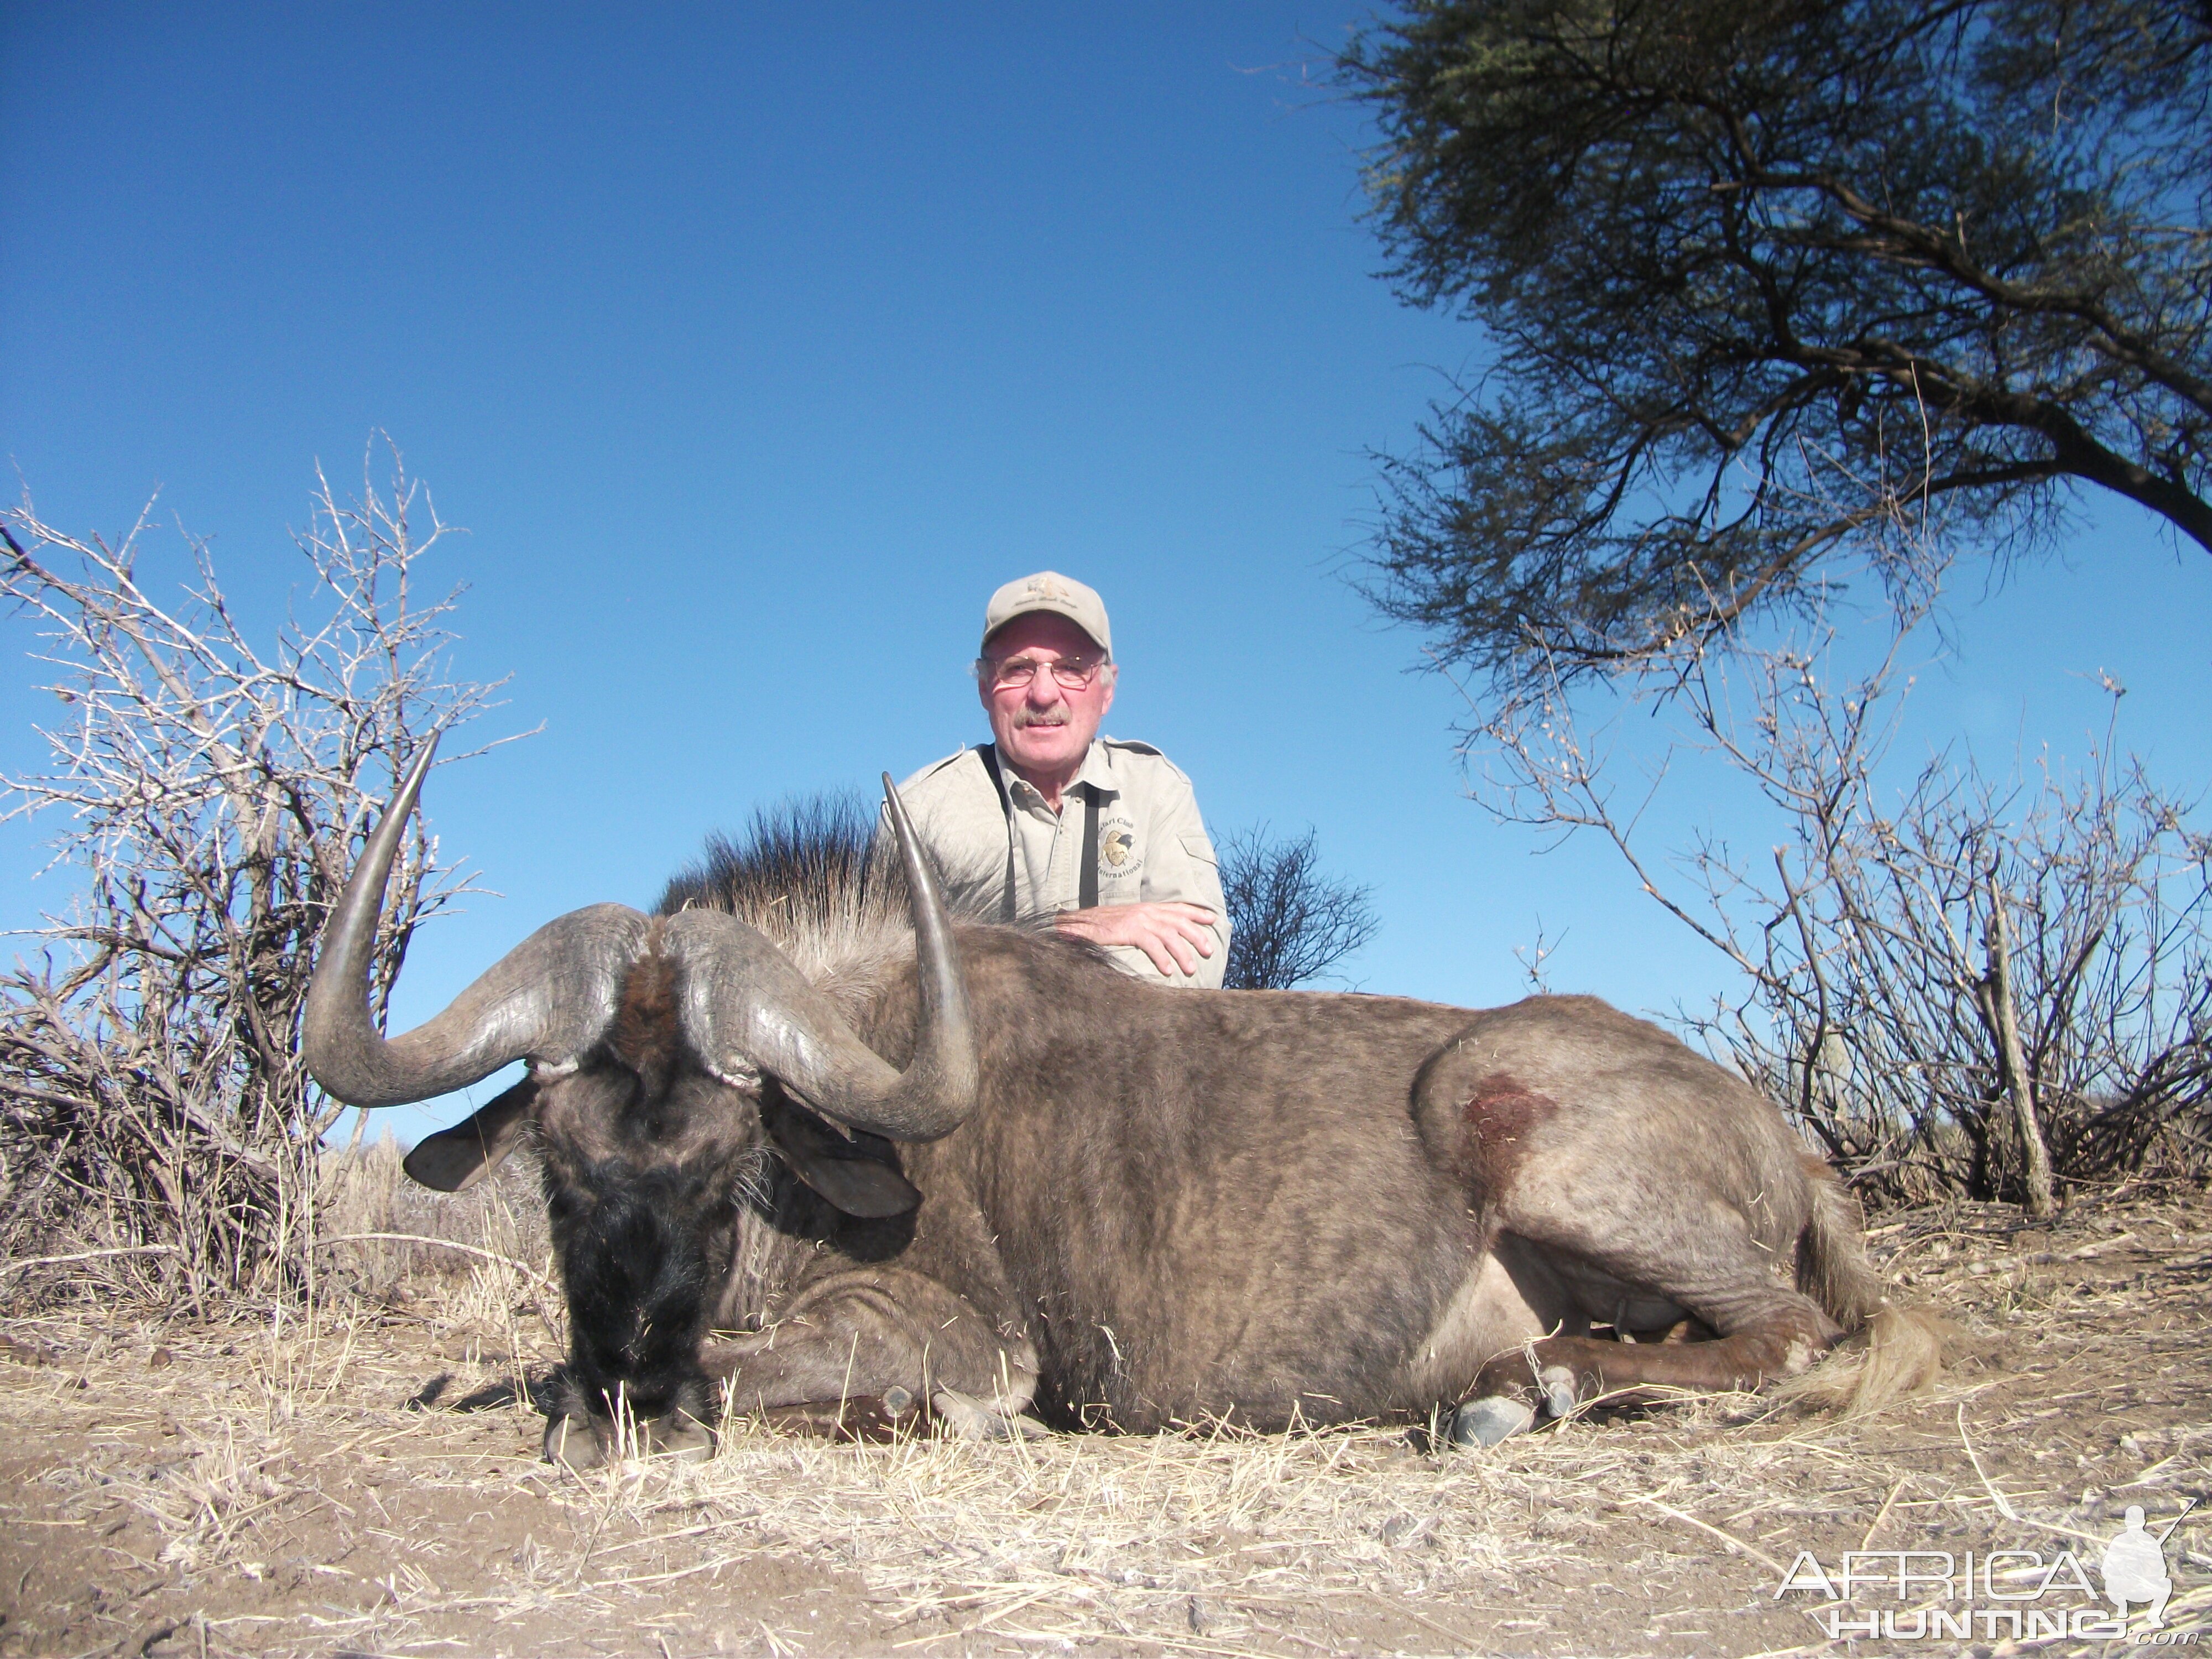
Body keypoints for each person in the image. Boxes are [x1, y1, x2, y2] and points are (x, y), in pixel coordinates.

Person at [883, 571, 1229, 988]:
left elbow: (1197, 963)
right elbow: (899, 981)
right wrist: (1080, 928)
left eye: (1071, 668)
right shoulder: (918, 813)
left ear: (1107, 690)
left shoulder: (1157, 789)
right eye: (1017, 669)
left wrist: (991, 961)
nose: (1044, 694)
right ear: (983, 688)